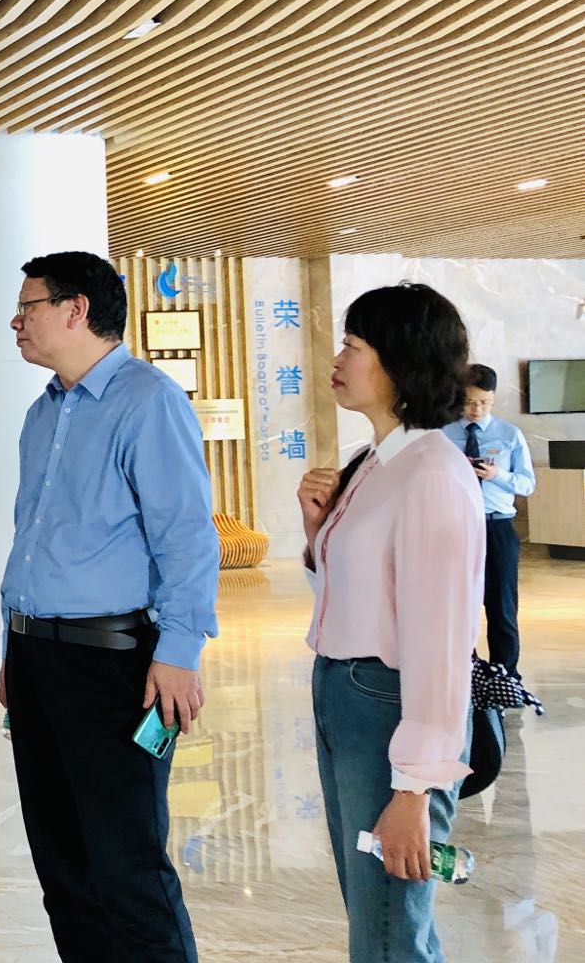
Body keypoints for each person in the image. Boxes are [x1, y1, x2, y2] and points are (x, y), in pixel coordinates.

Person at [0, 251, 218, 963]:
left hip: (113, 665)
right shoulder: (42, 412)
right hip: (36, 658)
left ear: (75, 310)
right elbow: (32, 540)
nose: (15, 321)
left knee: (127, 866)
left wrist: (179, 651)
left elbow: (186, 536)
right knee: (62, 865)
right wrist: (13, 649)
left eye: (27, 307)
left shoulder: (148, 401)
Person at [296, 283, 484, 963]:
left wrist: (414, 787)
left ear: (400, 363)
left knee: (387, 925)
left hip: (386, 705)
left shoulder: (431, 473)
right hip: (343, 693)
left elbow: (441, 644)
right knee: (372, 913)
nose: (337, 359)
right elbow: (353, 591)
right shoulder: (376, 461)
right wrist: (316, 531)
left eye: (354, 345)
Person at [442, 363, 536, 678]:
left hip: (497, 526)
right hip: (456, 527)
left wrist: (497, 475)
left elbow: (527, 484)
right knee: (458, 604)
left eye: (484, 402)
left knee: (502, 606)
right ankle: (463, 674)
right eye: (470, 402)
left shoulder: (509, 435)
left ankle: (506, 677)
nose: (477, 409)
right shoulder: (442, 434)